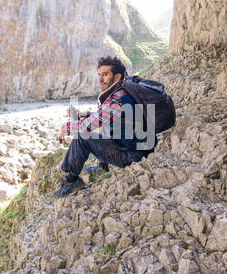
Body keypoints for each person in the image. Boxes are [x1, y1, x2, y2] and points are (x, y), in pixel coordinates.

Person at [54, 56, 157, 197]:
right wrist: (88, 114)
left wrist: (65, 127)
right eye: (99, 75)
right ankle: (103, 167)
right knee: (104, 125)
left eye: (105, 74)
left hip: (133, 157)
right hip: (145, 148)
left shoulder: (116, 98)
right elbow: (112, 117)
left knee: (82, 136)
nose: (100, 79)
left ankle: (71, 182)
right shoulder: (128, 89)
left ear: (117, 76)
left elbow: (86, 127)